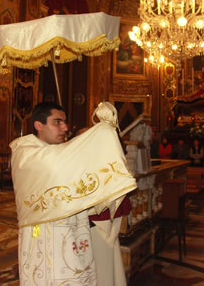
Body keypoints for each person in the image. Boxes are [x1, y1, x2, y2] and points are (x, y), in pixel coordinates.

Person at [10, 101, 137, 285]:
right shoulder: (25, 153)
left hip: (75, 237)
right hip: (44, 238)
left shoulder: (59, 150)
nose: (65, 127)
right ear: (39, 125)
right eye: (57, 122)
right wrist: (97, 134)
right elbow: (55, 165)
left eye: (65, 121)